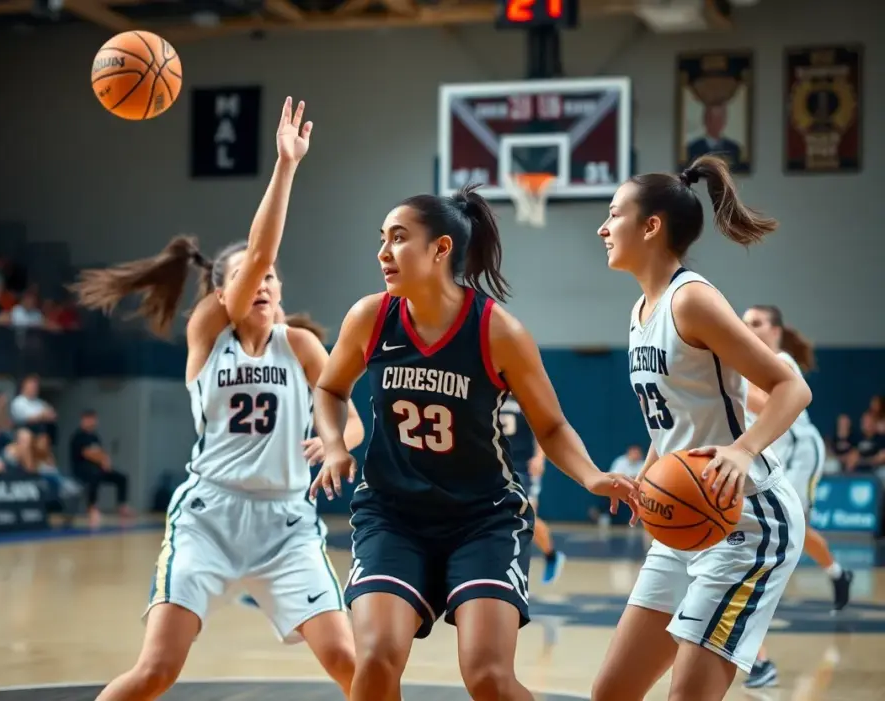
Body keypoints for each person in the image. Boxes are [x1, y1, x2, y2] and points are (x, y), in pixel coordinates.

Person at [71, 97, 363, 701]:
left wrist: (336, 442)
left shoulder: (301, 346)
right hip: (209, 517)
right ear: (225, 292)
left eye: (273, 278)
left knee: (352, 664)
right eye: (251, 278)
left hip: (286, 523)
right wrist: (285, 166)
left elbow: (348, 417)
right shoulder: (210, 331)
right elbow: (256, 254)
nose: (264, 282)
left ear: (282, 293)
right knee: (156, 671)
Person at [309, 183, 638, 701]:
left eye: (398, 239)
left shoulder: (497, 331)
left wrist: (593, 475)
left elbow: (550, 425)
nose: (382, 252)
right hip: (392, 514)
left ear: (440, 249)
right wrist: (333, 444)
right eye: (382, 239)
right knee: (373, 662)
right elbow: (330, 388)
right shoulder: (370, 318)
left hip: (481, 520)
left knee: (487, 677)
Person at [592, 155, 810, 701]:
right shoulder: (642, 309)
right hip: (685, 522)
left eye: (614, 213)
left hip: (747, 518)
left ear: (651, 226)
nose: (602, 227)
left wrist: (741, 450)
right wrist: (646, 476)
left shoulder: (692, 299)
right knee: (611, 693)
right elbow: (676, 420)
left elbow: (791, 388)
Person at [741, 304, 852, 688]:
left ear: (776, 331)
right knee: (790, 532)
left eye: (755, 323)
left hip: (801, 451)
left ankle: (757, 654)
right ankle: (839, 574)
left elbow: (765, 403)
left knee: (792, 531)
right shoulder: (747, 362)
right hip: (772, 454)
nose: (747, 330)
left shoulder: (781, 359)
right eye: (742, 325)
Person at [499, 396, 566, 582]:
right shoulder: (491, 392)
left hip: (523, 465)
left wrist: (539, 456)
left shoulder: (524, 394)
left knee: (527, 516)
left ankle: (551, 555)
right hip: (496, 464)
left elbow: (541, 429)